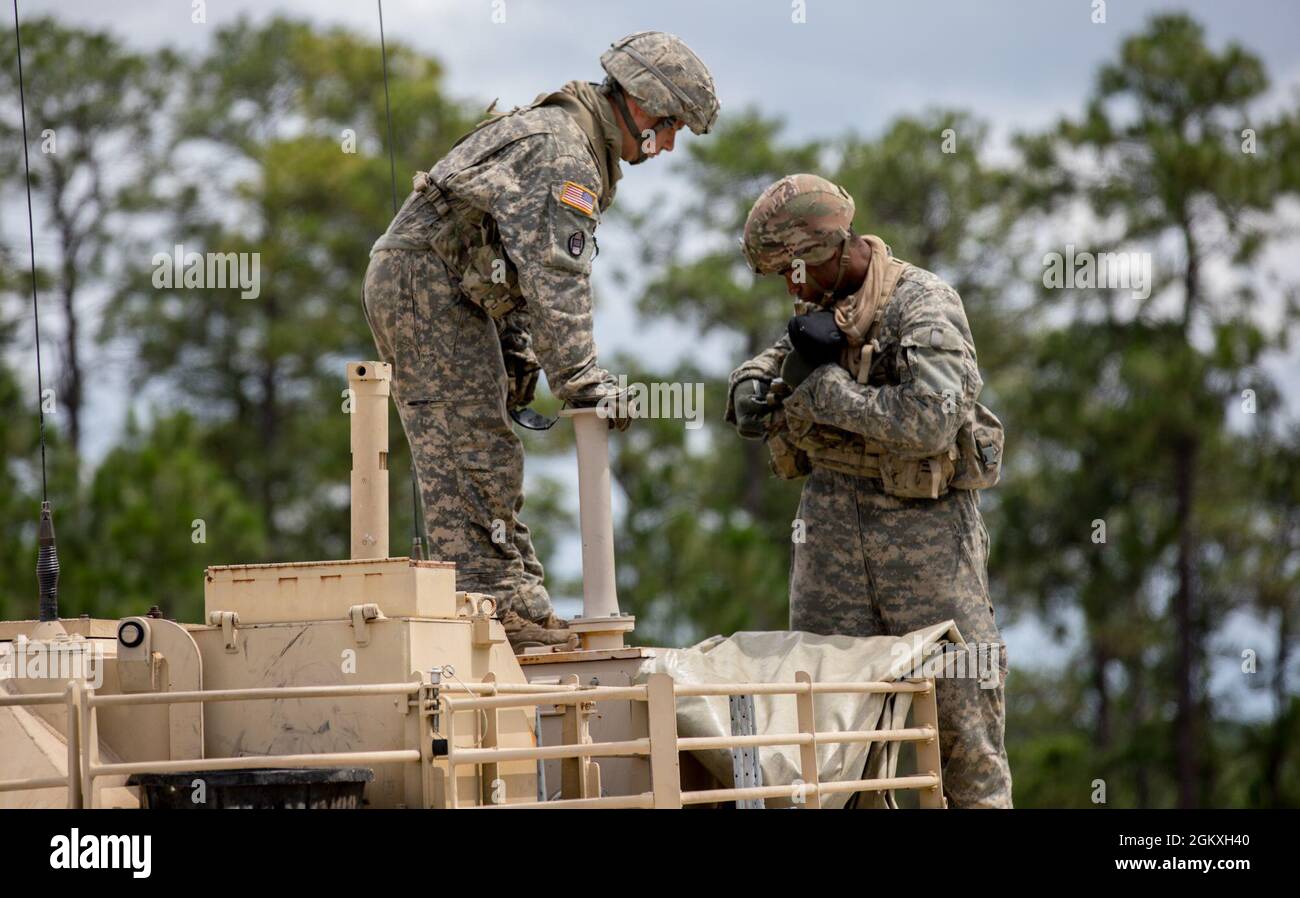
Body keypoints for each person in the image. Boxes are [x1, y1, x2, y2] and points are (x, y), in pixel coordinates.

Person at [363, 32, 719, 652]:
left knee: (483, 446)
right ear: (639, 104)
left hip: (447, 287)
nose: (666, 146)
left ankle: (516, 597)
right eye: (669, 128)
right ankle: (491, 608)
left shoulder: (571, 138)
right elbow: (558, 277)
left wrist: (518, 348)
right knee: (470, 445)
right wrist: (583, 382)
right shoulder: (565, 153)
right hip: (426, 285)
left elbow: (519, 265)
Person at [726, 174, 1012, 807]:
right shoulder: (823, 305)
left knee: (965, 735)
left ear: (829, 250)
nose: (789, 288)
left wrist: (831, 398)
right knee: (831, 740)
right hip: (831, 544)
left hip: (927, 548)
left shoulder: (923, 304)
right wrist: (748, 385)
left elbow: (931, 418)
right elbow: (777, 359)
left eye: (793, 270)